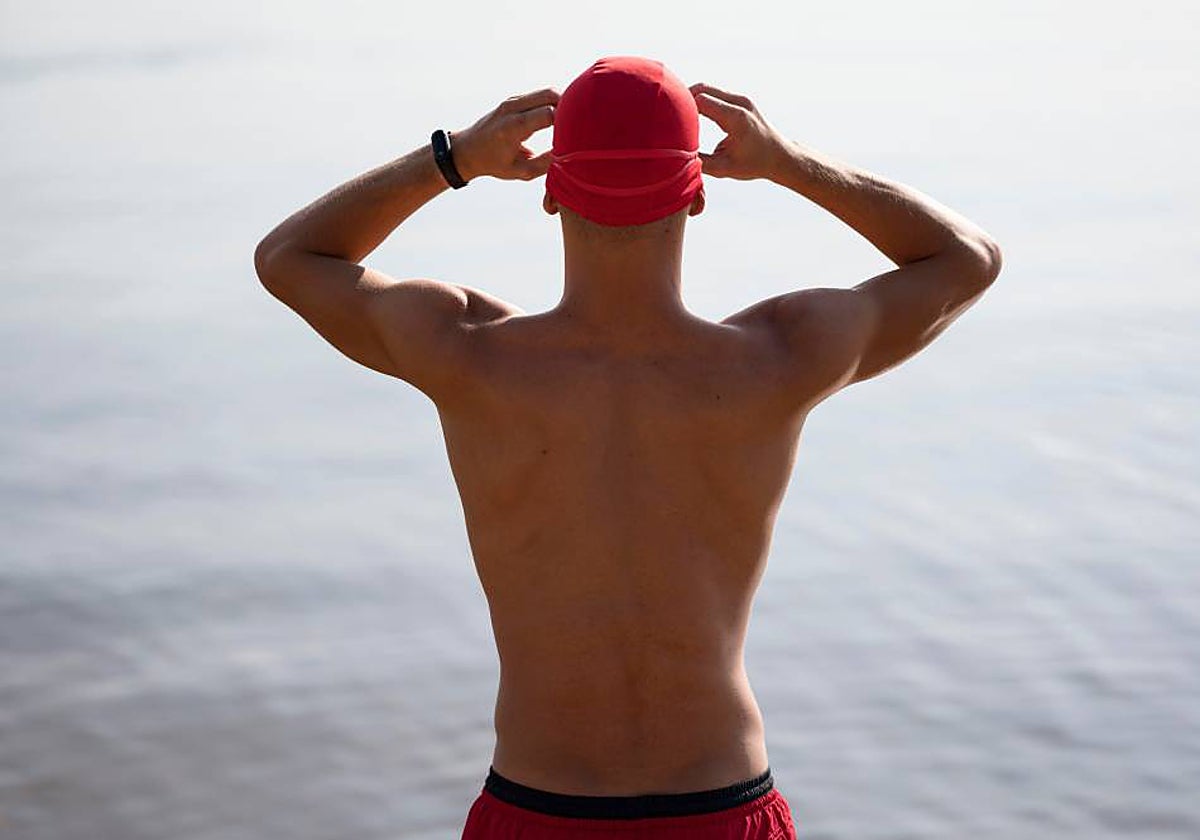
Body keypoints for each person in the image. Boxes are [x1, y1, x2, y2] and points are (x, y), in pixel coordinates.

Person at [254, 55, 1002, 839]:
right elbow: (967, 258)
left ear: (550, 193)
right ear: (698, 194)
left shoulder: (465, 352)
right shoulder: (779, 358)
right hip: (721, 805)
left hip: (537, 806)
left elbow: (290, 259)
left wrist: (455, 159)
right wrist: (788, 163)